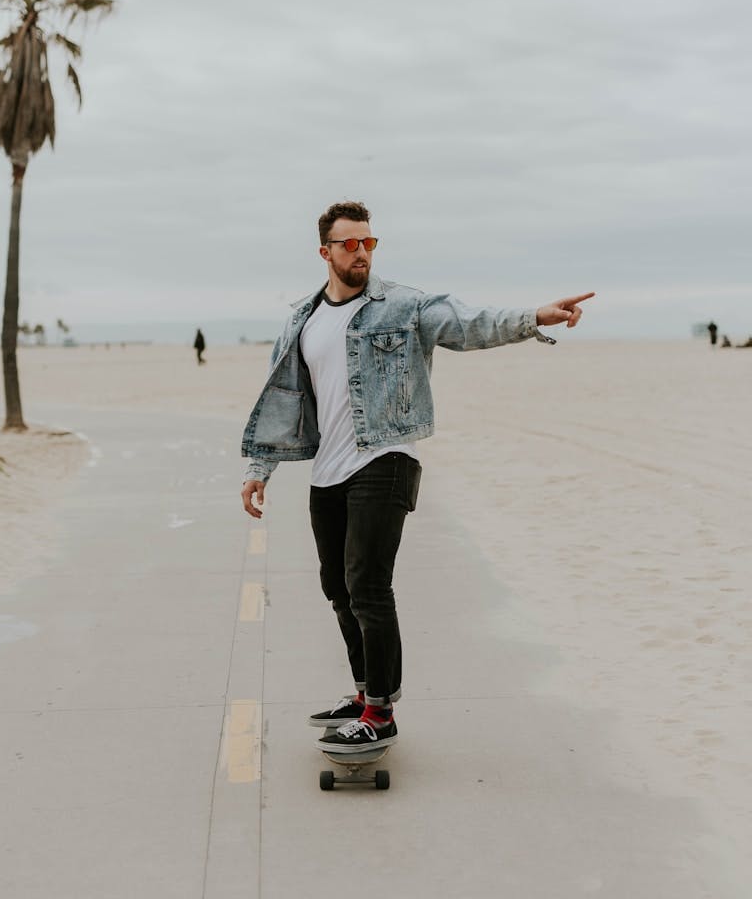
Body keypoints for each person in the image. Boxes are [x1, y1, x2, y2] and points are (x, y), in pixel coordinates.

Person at [240, 200, 594, 754]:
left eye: (369, 243)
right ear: (325, 252)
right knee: (337, 586)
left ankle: (380, 712)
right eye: (350, 244)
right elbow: (283, 399)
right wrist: (260, 467)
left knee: (367, 584)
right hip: (328, 468)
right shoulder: (302, 318)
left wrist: (534, 317)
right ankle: (363, 694)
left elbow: (469, 323)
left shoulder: (404, 306)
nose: (361, 252)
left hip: (386, 458)